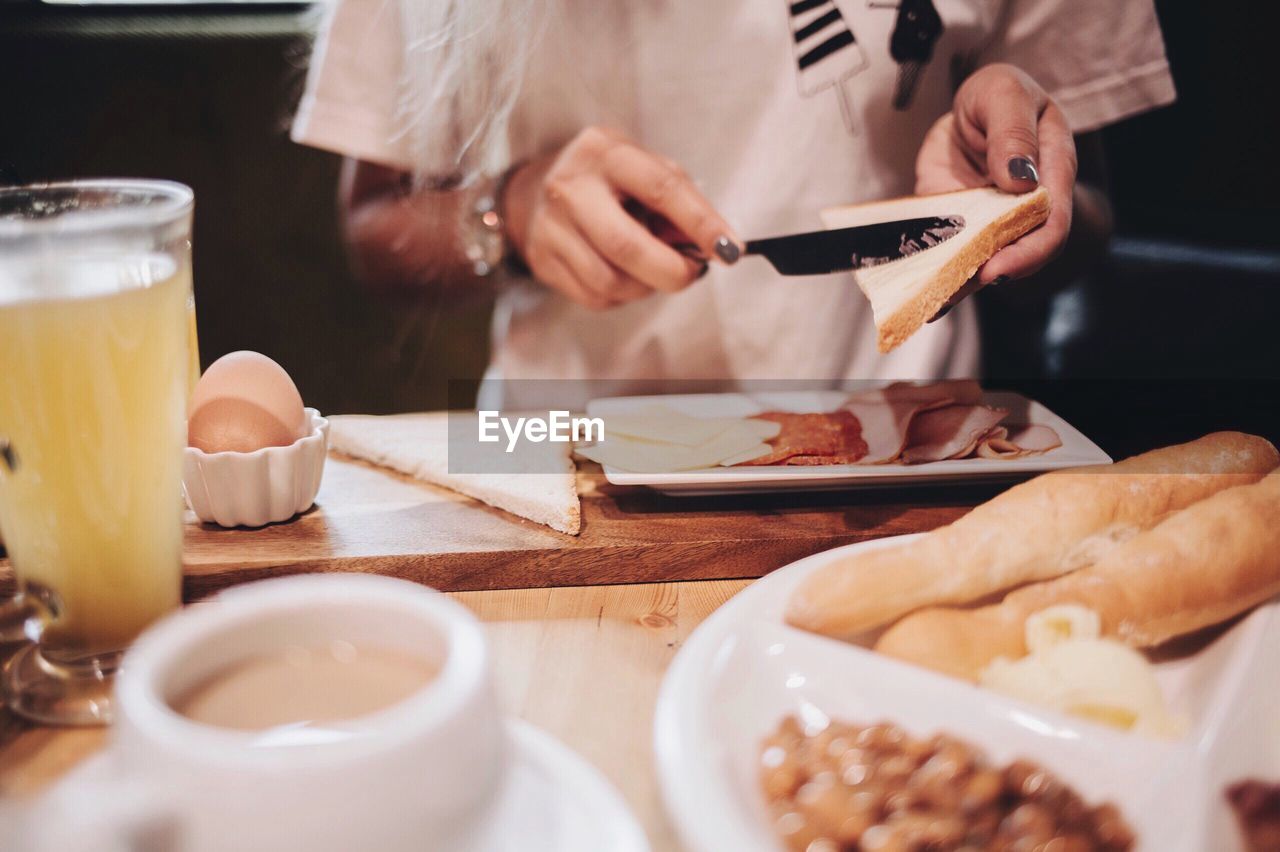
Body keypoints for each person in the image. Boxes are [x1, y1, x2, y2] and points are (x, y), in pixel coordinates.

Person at [293, 0, 1174, 408]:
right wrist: (508, 215)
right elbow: (375, 226)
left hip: (899, 455)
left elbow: (1086, 210)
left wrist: (1008, 215)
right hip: (559, 458)